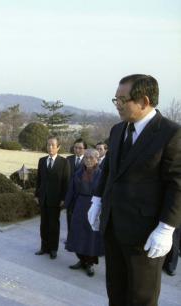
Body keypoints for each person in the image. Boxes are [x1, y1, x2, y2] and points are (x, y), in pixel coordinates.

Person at [88, 74, 181, 306]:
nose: (117, 105)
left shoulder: (171, 133)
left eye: (122, 99)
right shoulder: (118, 130)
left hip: (145, 234)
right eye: (115, 99)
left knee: (141, 297)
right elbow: (109, 170)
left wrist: (166, 227)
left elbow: (177, 184)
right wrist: (97, 200)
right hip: (113, 228)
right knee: (116, 292)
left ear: (144, 101)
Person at [65, 149, 104, 277]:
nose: (88, 160)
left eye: (91, 158)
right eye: (86, 157)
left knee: (91, 236)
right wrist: (68, 205)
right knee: (78, 233)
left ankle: (90, 264)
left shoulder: (102, 174)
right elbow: (71, 189)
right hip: (79, 205)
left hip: (94, 206)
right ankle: (81, 260)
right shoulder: (78, 173)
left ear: (97, 159)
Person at [35, 136, 70, 259]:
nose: (50, 147)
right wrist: (37, 195)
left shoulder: (64, 162)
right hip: (43, 198)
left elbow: (66, 182)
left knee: (54, 225)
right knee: (43, 224)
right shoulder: (42, 160)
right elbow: (39, 180)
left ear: (58, 147)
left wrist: (63, 198)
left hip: (56, 200)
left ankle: (53, 249)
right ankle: (44, 247)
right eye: (48, 145)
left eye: (53, 145)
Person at [65, 139, 87, 232]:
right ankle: (70, 239)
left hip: (82, 196)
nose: (77, 150)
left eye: (80, 148)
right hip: (70, 195)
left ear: (85, 149)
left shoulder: (88, 160)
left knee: (81, 219)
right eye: (75, 147)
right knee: (69, 217)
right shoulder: (68, 159)